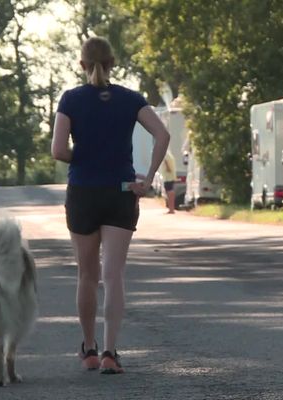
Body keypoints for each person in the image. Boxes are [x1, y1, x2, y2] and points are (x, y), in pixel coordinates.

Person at [51, 36, 169, 374]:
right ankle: (110, 353)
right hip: (120, 191)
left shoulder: (71, 99)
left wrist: (83, 155)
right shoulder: (131, 99)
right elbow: (163, 134)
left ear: (82, 64)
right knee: (113, 274)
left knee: (86, 274)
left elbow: (58, 151)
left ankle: (88, 349)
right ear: (113, 63)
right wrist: (147, 178)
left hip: (84, 192)